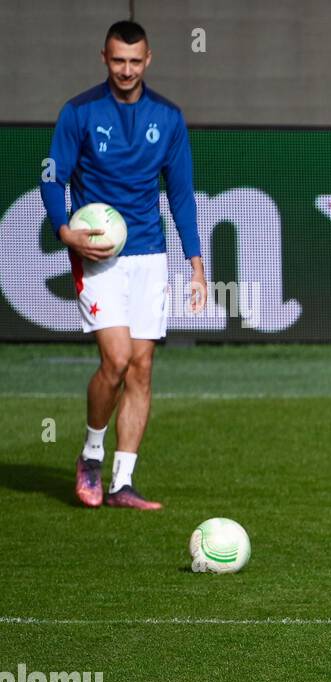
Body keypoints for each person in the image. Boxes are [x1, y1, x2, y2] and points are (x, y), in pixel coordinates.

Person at [41, 19, 206, 510]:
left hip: (150, 255)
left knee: (142, 368)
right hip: (98, 254)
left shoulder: (169, 117)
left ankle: (122, 483)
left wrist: (196, 264)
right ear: (104, 58)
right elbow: (53, 176)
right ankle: (91, 454)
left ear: (149, 60)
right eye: (118, 60)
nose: (127, 69)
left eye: (135, 61)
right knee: (114, 361)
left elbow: (181, 195)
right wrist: (65, 229)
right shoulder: (80, 112)